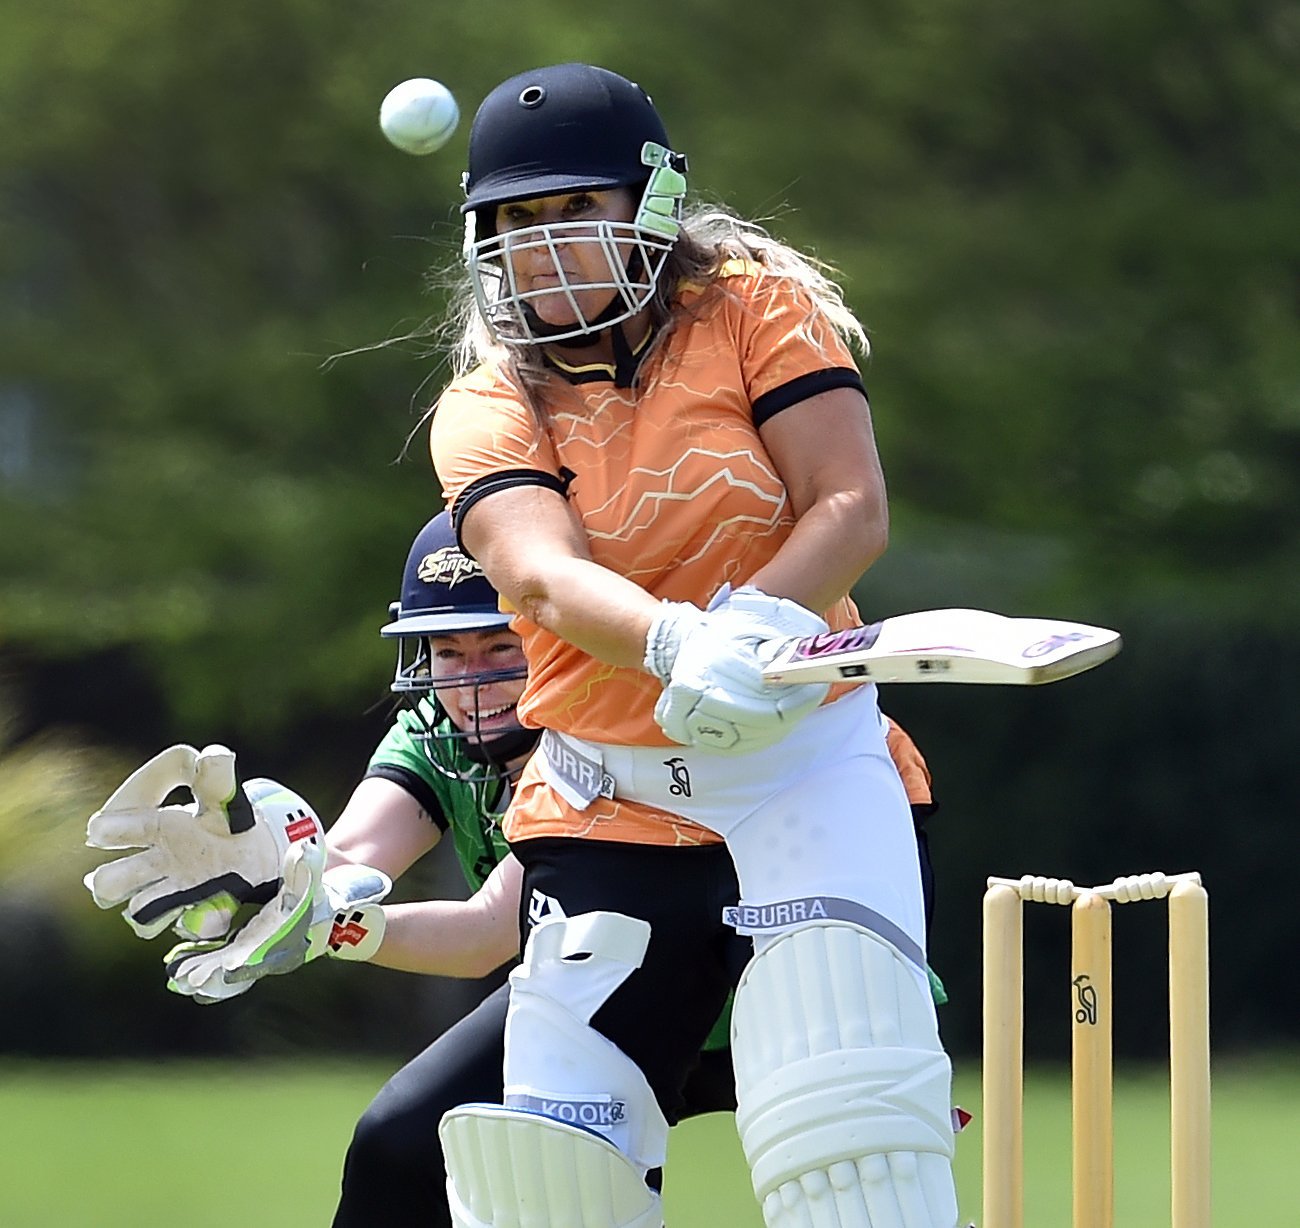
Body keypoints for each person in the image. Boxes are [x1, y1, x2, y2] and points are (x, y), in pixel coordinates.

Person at [426, 62, 961, 1228]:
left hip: (802, 764)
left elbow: (847, 501)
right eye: (516, 221)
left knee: (851, 1132)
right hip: (607, 796)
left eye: (575, 210)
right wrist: (679, 643)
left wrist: (759, 629)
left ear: (653, 204)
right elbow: (540, 576)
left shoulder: (754, 306)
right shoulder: (486, 402)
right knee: (553, 1181)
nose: (545, 246)